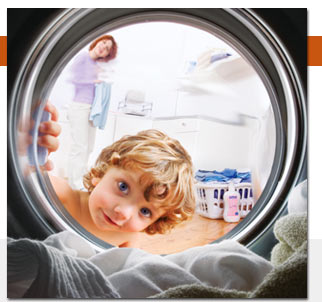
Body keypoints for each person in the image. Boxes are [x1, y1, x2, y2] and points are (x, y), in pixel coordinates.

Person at [40, 112, 196, 247]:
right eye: (123, 187)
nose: (123, 213)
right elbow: (23, 181)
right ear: (101, 174)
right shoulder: (60, 195)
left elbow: (127, 274)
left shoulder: (128, 238)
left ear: (155, 222)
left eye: (145, 211)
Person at [67, 34, 118, 189]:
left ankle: (81, 181)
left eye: (107, 48)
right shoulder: (83, 57)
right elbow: (72, 78)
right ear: (97, 42)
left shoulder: (97, 65)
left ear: (107, 54)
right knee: (79, 147)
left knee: (88, 147)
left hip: (91, 109)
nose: (104, 47)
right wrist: (93, 81)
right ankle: (74, 184)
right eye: (103, 43)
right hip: (79, 106)